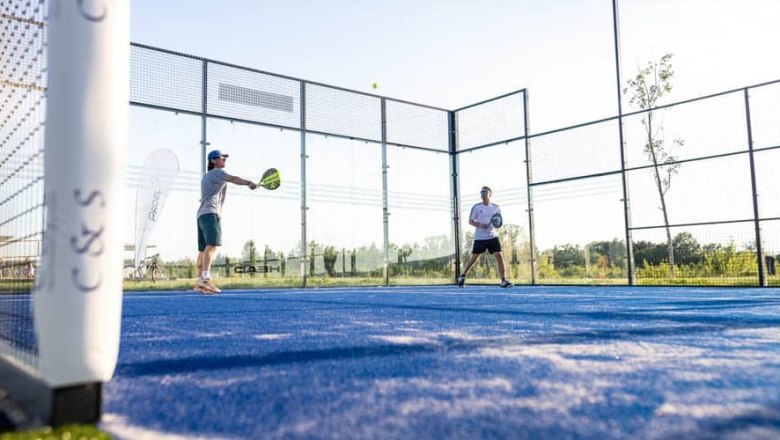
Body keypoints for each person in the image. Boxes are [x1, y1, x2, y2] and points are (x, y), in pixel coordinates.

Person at [195, 150, 257, 294]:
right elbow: (233, 178)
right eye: (221, 157)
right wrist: (248, 183)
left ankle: (199, 281)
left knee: (203, 249)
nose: (224, 160)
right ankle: (205, 279)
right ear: (213, 161)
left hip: (201, 214)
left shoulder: (208, 176)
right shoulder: (217, 172)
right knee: (212, 246)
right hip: (210, 213)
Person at [457, 186, 513, 288]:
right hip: (480, 238)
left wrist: (494, 226)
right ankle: (462, 276)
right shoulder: (476, 207)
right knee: (474, 258)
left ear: (490, 194)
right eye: (481, 192)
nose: (483, 194)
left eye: (485, 192)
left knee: (499, 257)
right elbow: (470, 221)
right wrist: (480, 225)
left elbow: (498, 221)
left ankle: (504, 280)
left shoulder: (496, 208)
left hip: (493, 236)